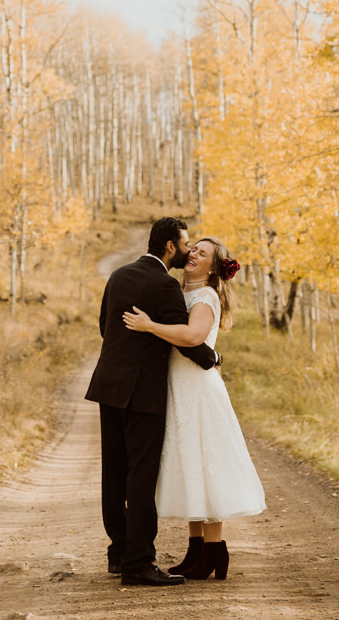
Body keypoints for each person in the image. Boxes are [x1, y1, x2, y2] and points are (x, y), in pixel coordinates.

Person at [84, 217, 221, 586]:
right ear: (171, 247)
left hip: (108, 387)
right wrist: (214, 359)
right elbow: (186, 341)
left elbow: (104, 326)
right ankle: (139, 564)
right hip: (142, 394)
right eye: (187, 243)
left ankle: (118, 554)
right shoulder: (164, 286)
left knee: (113, 475)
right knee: (141, 478)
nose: (190, 250)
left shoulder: (118, 275)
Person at [122, 236, 266, 582]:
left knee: (207, 465)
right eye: (194, 248)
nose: (193, 254)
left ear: (213, 268)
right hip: (178, 387)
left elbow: (192, 338)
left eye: (203, 253)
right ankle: (196, 548)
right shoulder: (178, 292)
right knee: (190, 465)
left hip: (199, 391)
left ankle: (215, 550)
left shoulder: (206, 296)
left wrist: (149, 326)